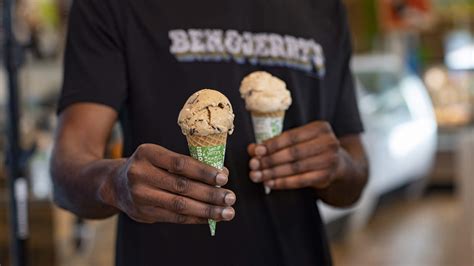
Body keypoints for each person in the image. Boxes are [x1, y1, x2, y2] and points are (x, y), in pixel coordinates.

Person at [50, 0, 369, 265]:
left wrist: (337, 166)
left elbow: (355, 172)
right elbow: (66, 170)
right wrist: (115, 183)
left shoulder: (325, 8)